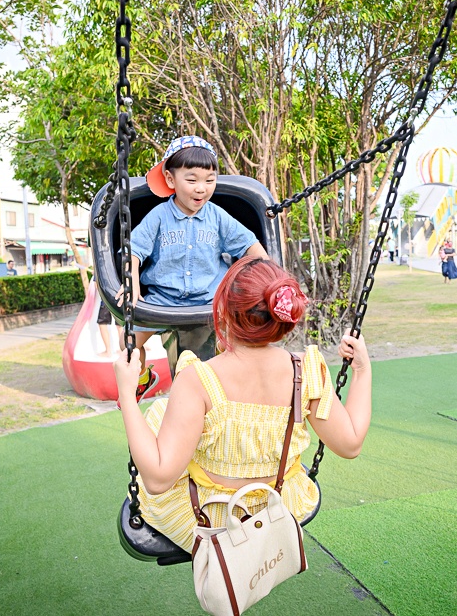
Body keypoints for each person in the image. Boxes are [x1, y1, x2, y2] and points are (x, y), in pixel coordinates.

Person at [113, 256, 372, 551]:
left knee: (159, 412)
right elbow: (350, 445)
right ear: (282, 321)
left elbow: (158, 480)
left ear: (223, 311)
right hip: (280, 509)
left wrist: (127, 393)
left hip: (210, 522)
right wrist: (363, 371)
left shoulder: (198, 380)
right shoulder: (307, 371)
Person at [128, 136, 268, 398]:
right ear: (171, 180)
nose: (201, 188)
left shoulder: (217, 216)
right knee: (129, 347)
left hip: (210, 298)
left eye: (209, 180)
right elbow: (133, 251)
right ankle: (142, 378)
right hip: (163, 301)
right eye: (191, 180)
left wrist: (271, 277)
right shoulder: (158, 216)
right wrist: (133, 286)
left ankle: (234, 387)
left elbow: (250, 245)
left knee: (238, 342)